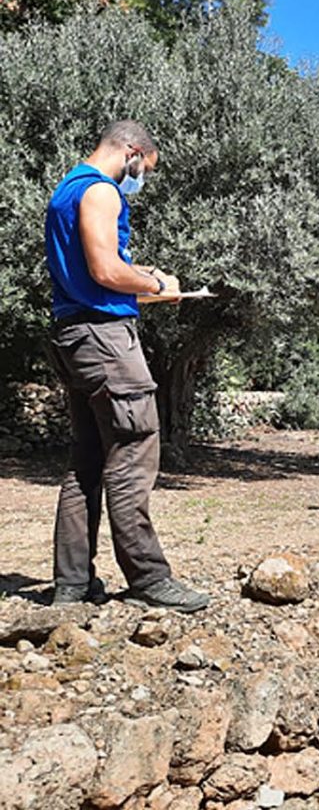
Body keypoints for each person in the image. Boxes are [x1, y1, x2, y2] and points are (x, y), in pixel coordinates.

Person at [43, 120, 209, 613]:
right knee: (135, 451)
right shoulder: (100, 192)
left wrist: (151, 288)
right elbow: (106, 271)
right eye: (144, 169)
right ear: (132, 152)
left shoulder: (65, 191)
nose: (140, 178)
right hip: (105, 343)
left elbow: (90, 284)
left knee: (87, 462)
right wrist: (156, 283)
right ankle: (148, 578)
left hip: (76, 335)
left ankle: (72, 585)